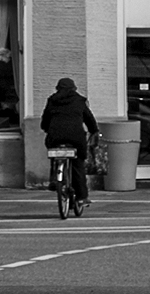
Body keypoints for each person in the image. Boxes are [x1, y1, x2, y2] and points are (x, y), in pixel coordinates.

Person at [38, 77, 101, 211]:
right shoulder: (79, 101)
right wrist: (94, 131)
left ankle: (55, 179)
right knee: (78, 164)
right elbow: (89, 119)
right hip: (75, 137)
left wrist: (46, 128)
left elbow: (45, 120)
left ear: (58, 88)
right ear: (74, 89)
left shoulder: (52, 100)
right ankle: (81, 197)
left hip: (55, 136)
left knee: (54, 154)